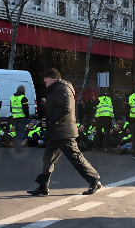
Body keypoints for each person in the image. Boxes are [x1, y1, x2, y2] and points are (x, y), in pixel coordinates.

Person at [27, 68, 101, 196]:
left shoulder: (62, 88)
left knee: (76, 158)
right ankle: (43, 186)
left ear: (53, 78)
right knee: (48, 159)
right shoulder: (56, 89)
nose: (44, 80)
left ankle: (94, 181)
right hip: (56, 132)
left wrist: (53, 121)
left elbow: (65, 107)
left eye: (46, 78)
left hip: (63, 132)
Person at [11, 85, 29, 153]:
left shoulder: (12, 98)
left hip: (15, 117)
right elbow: (25, 109)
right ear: (23, 91)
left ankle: (17, 147)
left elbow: (11, 108)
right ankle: (18, 148)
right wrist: (27, 116)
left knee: (17, 132)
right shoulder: (23, 98)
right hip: (22, 117)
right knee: (20, 133)